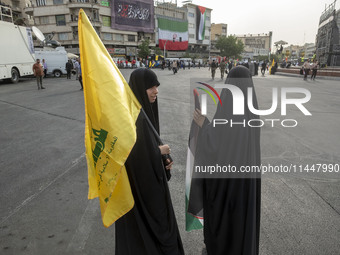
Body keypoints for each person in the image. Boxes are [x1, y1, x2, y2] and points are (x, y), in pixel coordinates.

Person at [191, 66, 261, 255]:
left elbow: (214, 146)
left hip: (227, 187)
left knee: (226, 224)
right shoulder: (252, 111)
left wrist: (204, 125)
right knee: (242, 223)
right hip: (246, 185)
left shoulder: (229, 110)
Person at [115, 68, 184, 255]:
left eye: (157, 86)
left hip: (149, 190)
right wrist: (157, 152)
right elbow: (128, 158)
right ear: (139, 89)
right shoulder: (130, 117)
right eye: (150, 87)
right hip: (139, 196)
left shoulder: (143, 113)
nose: (156, 91)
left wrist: (162, 162)